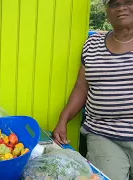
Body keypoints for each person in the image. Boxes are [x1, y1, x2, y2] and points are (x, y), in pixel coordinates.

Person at [53, 0, 133, 179]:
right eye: (114, 4)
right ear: (107, 11)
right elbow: (82, 86)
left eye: (128, 2)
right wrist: (63, 119)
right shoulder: (93, 44)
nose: (121, 8)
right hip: (104, 134)